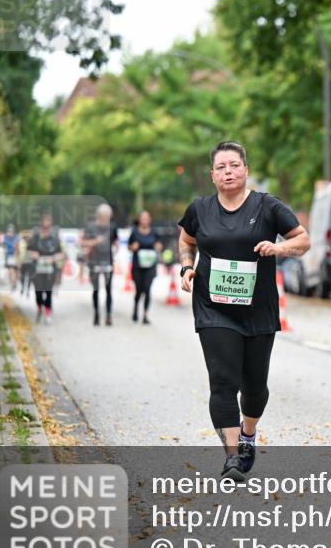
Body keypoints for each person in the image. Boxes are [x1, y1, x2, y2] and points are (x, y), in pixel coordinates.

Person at [178, 141, 309, 480]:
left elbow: (303, 240)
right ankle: (232, 457)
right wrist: (186, 267)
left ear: (246, 170)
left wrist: (278, 247)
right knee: (223, 382)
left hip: (258, 309)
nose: (228, 172)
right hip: (213, 307)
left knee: (254, 387)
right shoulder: (200, 209)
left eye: (234, 165)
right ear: (212, 175)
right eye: (221, 167)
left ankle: (248, 433)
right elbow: (186, 239)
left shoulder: (267, 206)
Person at [81, 204, 118, 326]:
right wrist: (94, 242)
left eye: (109, 217)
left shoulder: (112, 227)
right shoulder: (90, 227)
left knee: (108, 290)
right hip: (94, 261)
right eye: (106, 217)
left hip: (108, 261)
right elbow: (82, 242)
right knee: (96, 289)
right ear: (100, 216)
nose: (108, 219)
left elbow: (115, 241)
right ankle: (96, 314)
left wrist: (116, 246)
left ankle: (108, 315)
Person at [27, 213, 63, 325]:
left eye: (49, 222)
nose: (46, 224)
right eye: (44, 222)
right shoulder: (35, 237)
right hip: (37, 268)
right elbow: (28, 251)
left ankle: (47, 313)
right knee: (38, 291)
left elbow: (61, 253)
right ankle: (39, 307)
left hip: (50, 269)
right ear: (41, 223)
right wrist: (35, 255)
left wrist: (53, 258)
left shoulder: (55, 238)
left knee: (48, 291)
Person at [128, 211, 163, 324]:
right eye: (143, 218)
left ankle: (145, 315)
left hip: (150, 265)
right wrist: (133, 247)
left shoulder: (154, 232)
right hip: (137, 265)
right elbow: (129, 246)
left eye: (147, 218)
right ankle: (135, 309)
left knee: (147, 289)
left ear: (150, 219)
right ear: (139, 219)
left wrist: (158, 246)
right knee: (139, 290)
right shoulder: (134, 232)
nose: (145, 220)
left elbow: (160, 244)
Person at [3, 225, 19, 292]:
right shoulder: (5, 237)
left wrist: (16, 253)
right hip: (8, 256)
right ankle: (13, 283)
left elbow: (17, 246)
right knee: (10, 271)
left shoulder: (15, 237)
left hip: (13, 255)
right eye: (9, 231)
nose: (10, 233)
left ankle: (14, 284)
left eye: (11, 231)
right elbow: (4, 246)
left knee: (12, 270)